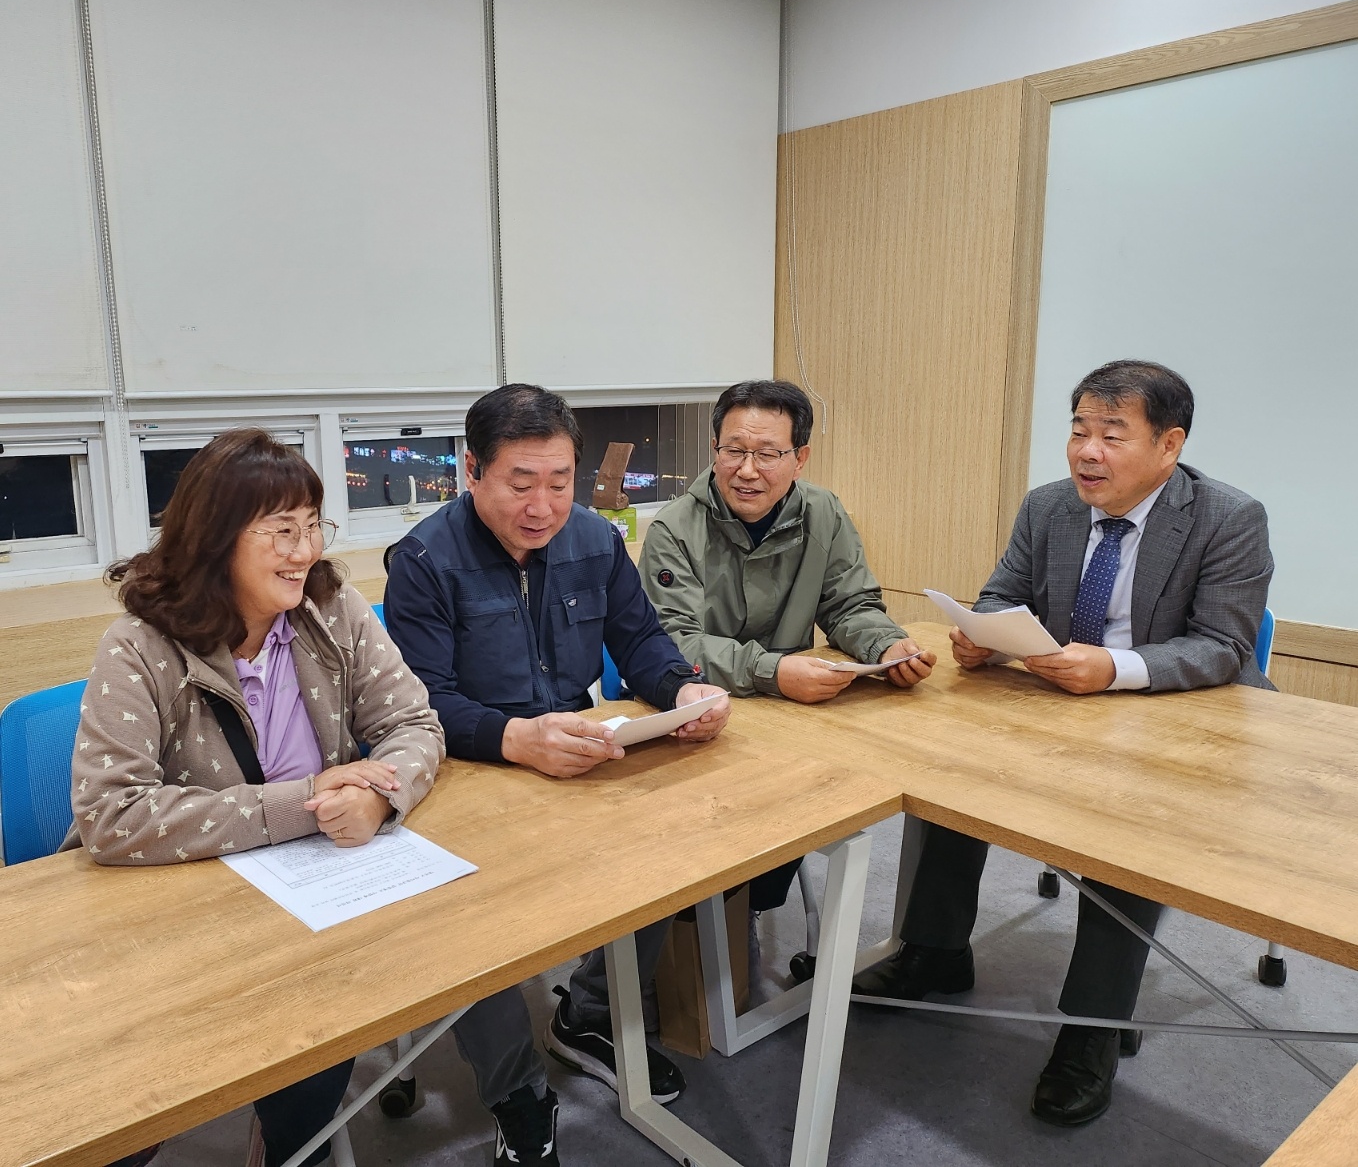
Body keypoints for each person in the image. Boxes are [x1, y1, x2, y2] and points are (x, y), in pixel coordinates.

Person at [852, 360, 1274, 1126]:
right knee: (958, 769)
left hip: (1177, 717)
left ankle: (1093, 1027)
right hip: (1057, 704)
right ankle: (936, 951)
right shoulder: (1049, 505)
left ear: (1169, 445)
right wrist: (983, 634)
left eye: (1112, 434)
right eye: (1079, 430)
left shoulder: (1229, 517)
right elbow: (1002, 592)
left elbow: (1223, 645)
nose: (1087, 451)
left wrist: (1114, 667)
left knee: (1129, 825)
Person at [63, 428, 444, 1167]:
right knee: (121, 1114)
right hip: (175, 916)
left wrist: (378, 799)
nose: (304, 552)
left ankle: (289, 1145)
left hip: (309, 896)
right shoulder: (140, 644)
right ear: (216, 538)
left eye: (313, 527)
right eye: (281, 531)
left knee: (322, 1022)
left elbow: (413, 724)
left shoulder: (331, 610)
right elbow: (112, 816)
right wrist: (302, 801)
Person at [383, 383, 730, 1163]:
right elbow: (421, 703)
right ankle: (516, 1089)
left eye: (560, 481)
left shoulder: (595, 539)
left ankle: (588, 1015)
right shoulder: (424, 560)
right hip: (471, 770)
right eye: (520, 483)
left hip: (577, 753)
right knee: (462, 909)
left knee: (672, 844)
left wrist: (683, 690)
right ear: (471, 470)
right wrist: (515, 738)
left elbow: (641, 641)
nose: (542, 507)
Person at [639, 378, 935, 921]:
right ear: (714, 449)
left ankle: (741, 925)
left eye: (767, 454)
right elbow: (672, 642)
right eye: (734, 450)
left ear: (800, 458)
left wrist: (884, 643)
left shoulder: (823, 512)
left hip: (793, 722)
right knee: (689, 870)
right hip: (701, 717)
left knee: (825, 810)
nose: (747, 470)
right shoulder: (674, 529)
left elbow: (850, 603)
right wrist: (772, 671)